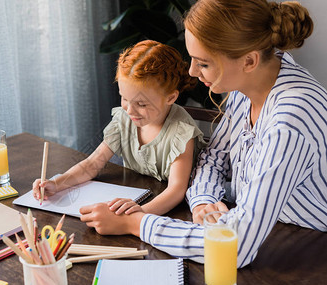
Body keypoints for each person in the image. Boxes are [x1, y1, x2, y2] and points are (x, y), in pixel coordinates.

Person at [79, 0, 327, 268]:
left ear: (249, 60)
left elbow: (236, 247)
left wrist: (135, 222)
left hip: (310, 250)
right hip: (271, 228)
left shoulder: (290, 121)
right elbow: (214, 158)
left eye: (203, 64)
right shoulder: (252, 84)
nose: (192, 72)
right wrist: (203, 201)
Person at [32, 40, 205, 216]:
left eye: (141, 104)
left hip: (173, 212)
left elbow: (176, 190)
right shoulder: (125, 119)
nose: (130, 111)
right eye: (124, 99)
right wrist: (56, 183)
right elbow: (92, 164)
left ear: (170, 97)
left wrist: (138, 215)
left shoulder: (181, 132)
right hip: (138, 194)